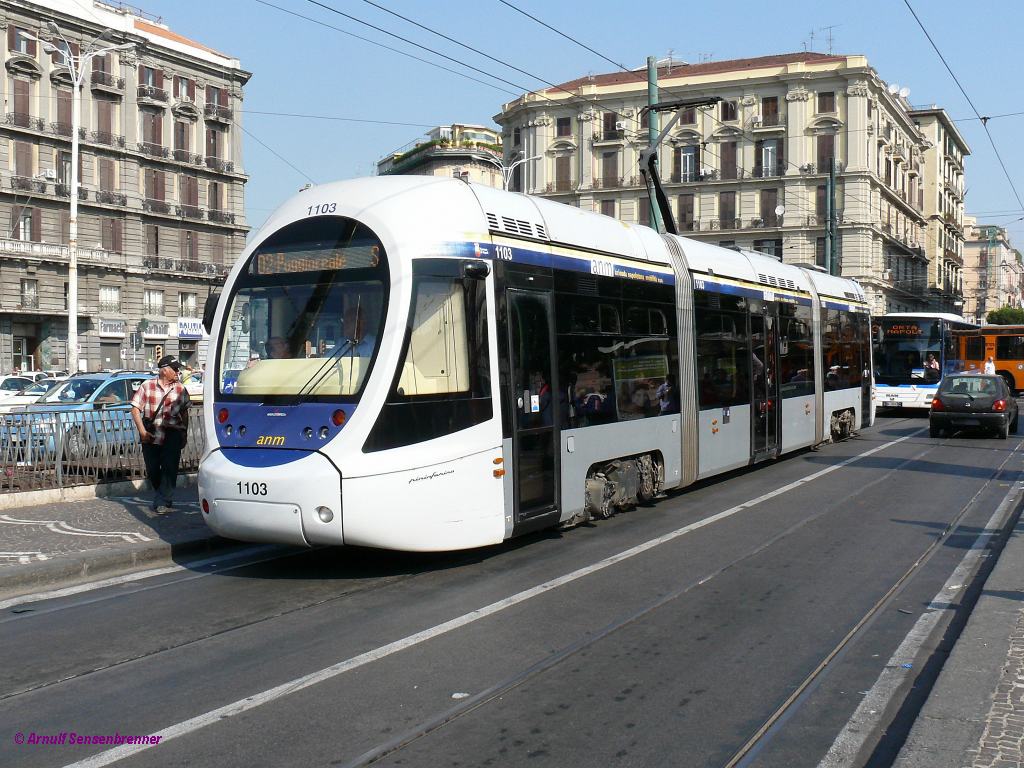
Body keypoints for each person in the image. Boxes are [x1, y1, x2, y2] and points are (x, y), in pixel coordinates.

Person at [131, 355, 190, 512]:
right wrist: (142, 432)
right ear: (165, 370)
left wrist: (185, 433)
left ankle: (164, 499)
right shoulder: (147, 386)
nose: (178, 372)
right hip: (151, 433)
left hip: (173, 432)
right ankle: (163, 495)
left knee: (170, 468)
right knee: (153, 469)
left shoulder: (181, 389)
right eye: (175, 369)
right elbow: (135, 410)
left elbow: (184, 413)